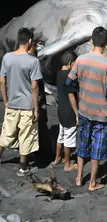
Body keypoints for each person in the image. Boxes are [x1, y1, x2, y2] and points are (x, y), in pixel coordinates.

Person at [67, 26, 107, 191]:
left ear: (91, 40)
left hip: (84, 110)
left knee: (83, 145)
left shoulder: (81, 59)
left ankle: (79, 178)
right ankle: (92, 183)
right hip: (101, 113)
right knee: (97, 149)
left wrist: (82, 87)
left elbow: (69, 81)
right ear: (106, 42)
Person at [0, 27, 42, 176]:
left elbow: (1, 81)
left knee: (7, 133)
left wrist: (5, 101)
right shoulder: (33, 61)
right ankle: (23, 168)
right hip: (27, 105)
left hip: (11, 103)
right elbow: (35, 87)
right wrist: (36, 109)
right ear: (30, 41)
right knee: (26, 136)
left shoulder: (7, 57)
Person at [52, 51, 79, 171]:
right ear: (70, 63)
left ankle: (57, 158)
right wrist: (77, 113)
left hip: (60, 109)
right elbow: (71, 96)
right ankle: (67, 164)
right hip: (69, 110)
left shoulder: (59, 73)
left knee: (61, 135)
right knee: (69, 138)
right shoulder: (69, 75)